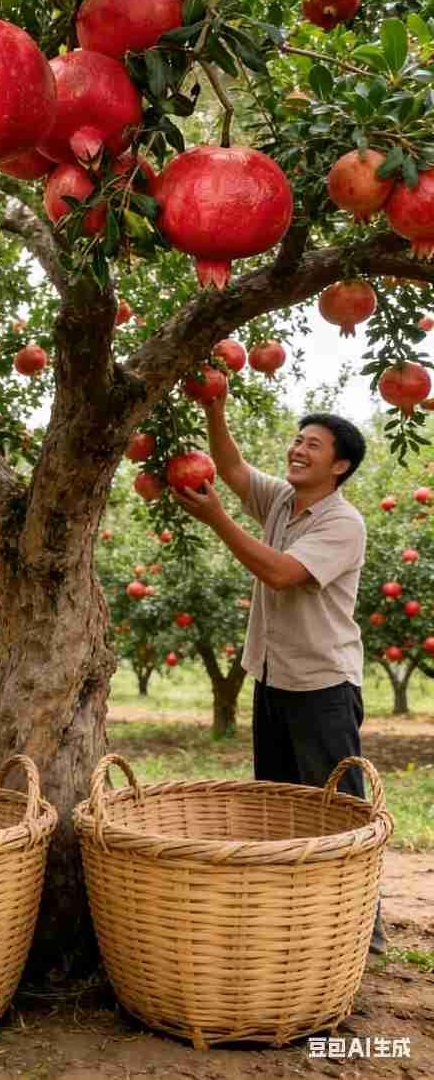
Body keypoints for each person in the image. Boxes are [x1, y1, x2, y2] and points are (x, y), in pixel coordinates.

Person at [172, 393, 386, 954]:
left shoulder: (344, 523)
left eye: (312, 445)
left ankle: (364, 928)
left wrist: (217, 517)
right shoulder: (282, 501)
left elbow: (281, 573)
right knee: (278, 805)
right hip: (272, 677)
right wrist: (216, 406)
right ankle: (297, 915)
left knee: (337, 808)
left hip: (323, 686)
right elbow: (235, 469)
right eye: (297, 439)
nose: (297, 449)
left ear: (339, 465)